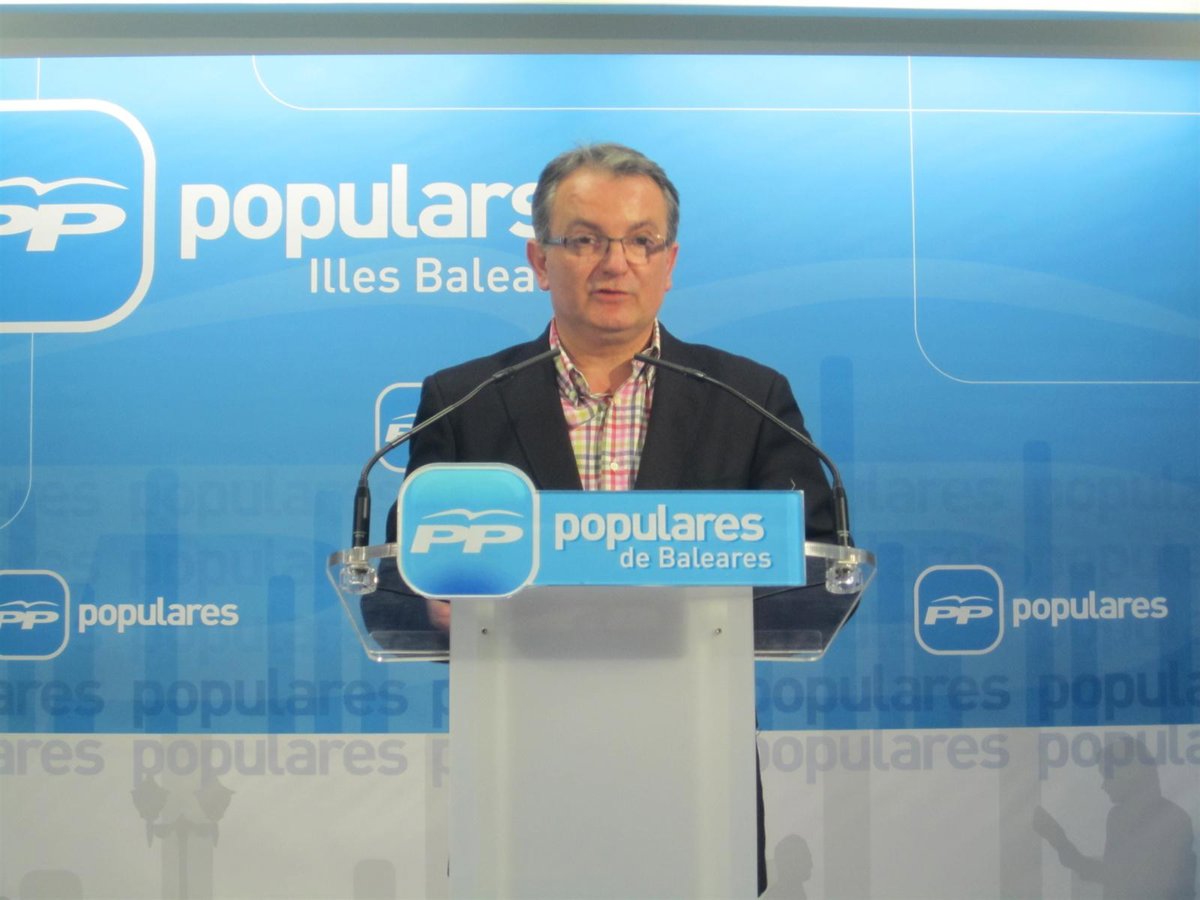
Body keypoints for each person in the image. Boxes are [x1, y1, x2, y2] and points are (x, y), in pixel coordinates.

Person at [365, 142, 842, 896]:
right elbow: (411, 571)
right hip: (520, 761)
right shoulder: (465, 401)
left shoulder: (749, 399)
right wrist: (435, 601)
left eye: (641, 241)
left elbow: (815, 561)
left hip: (695, 767)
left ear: (669, 261)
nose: (615, 263)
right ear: (538, 259)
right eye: (585, 240)